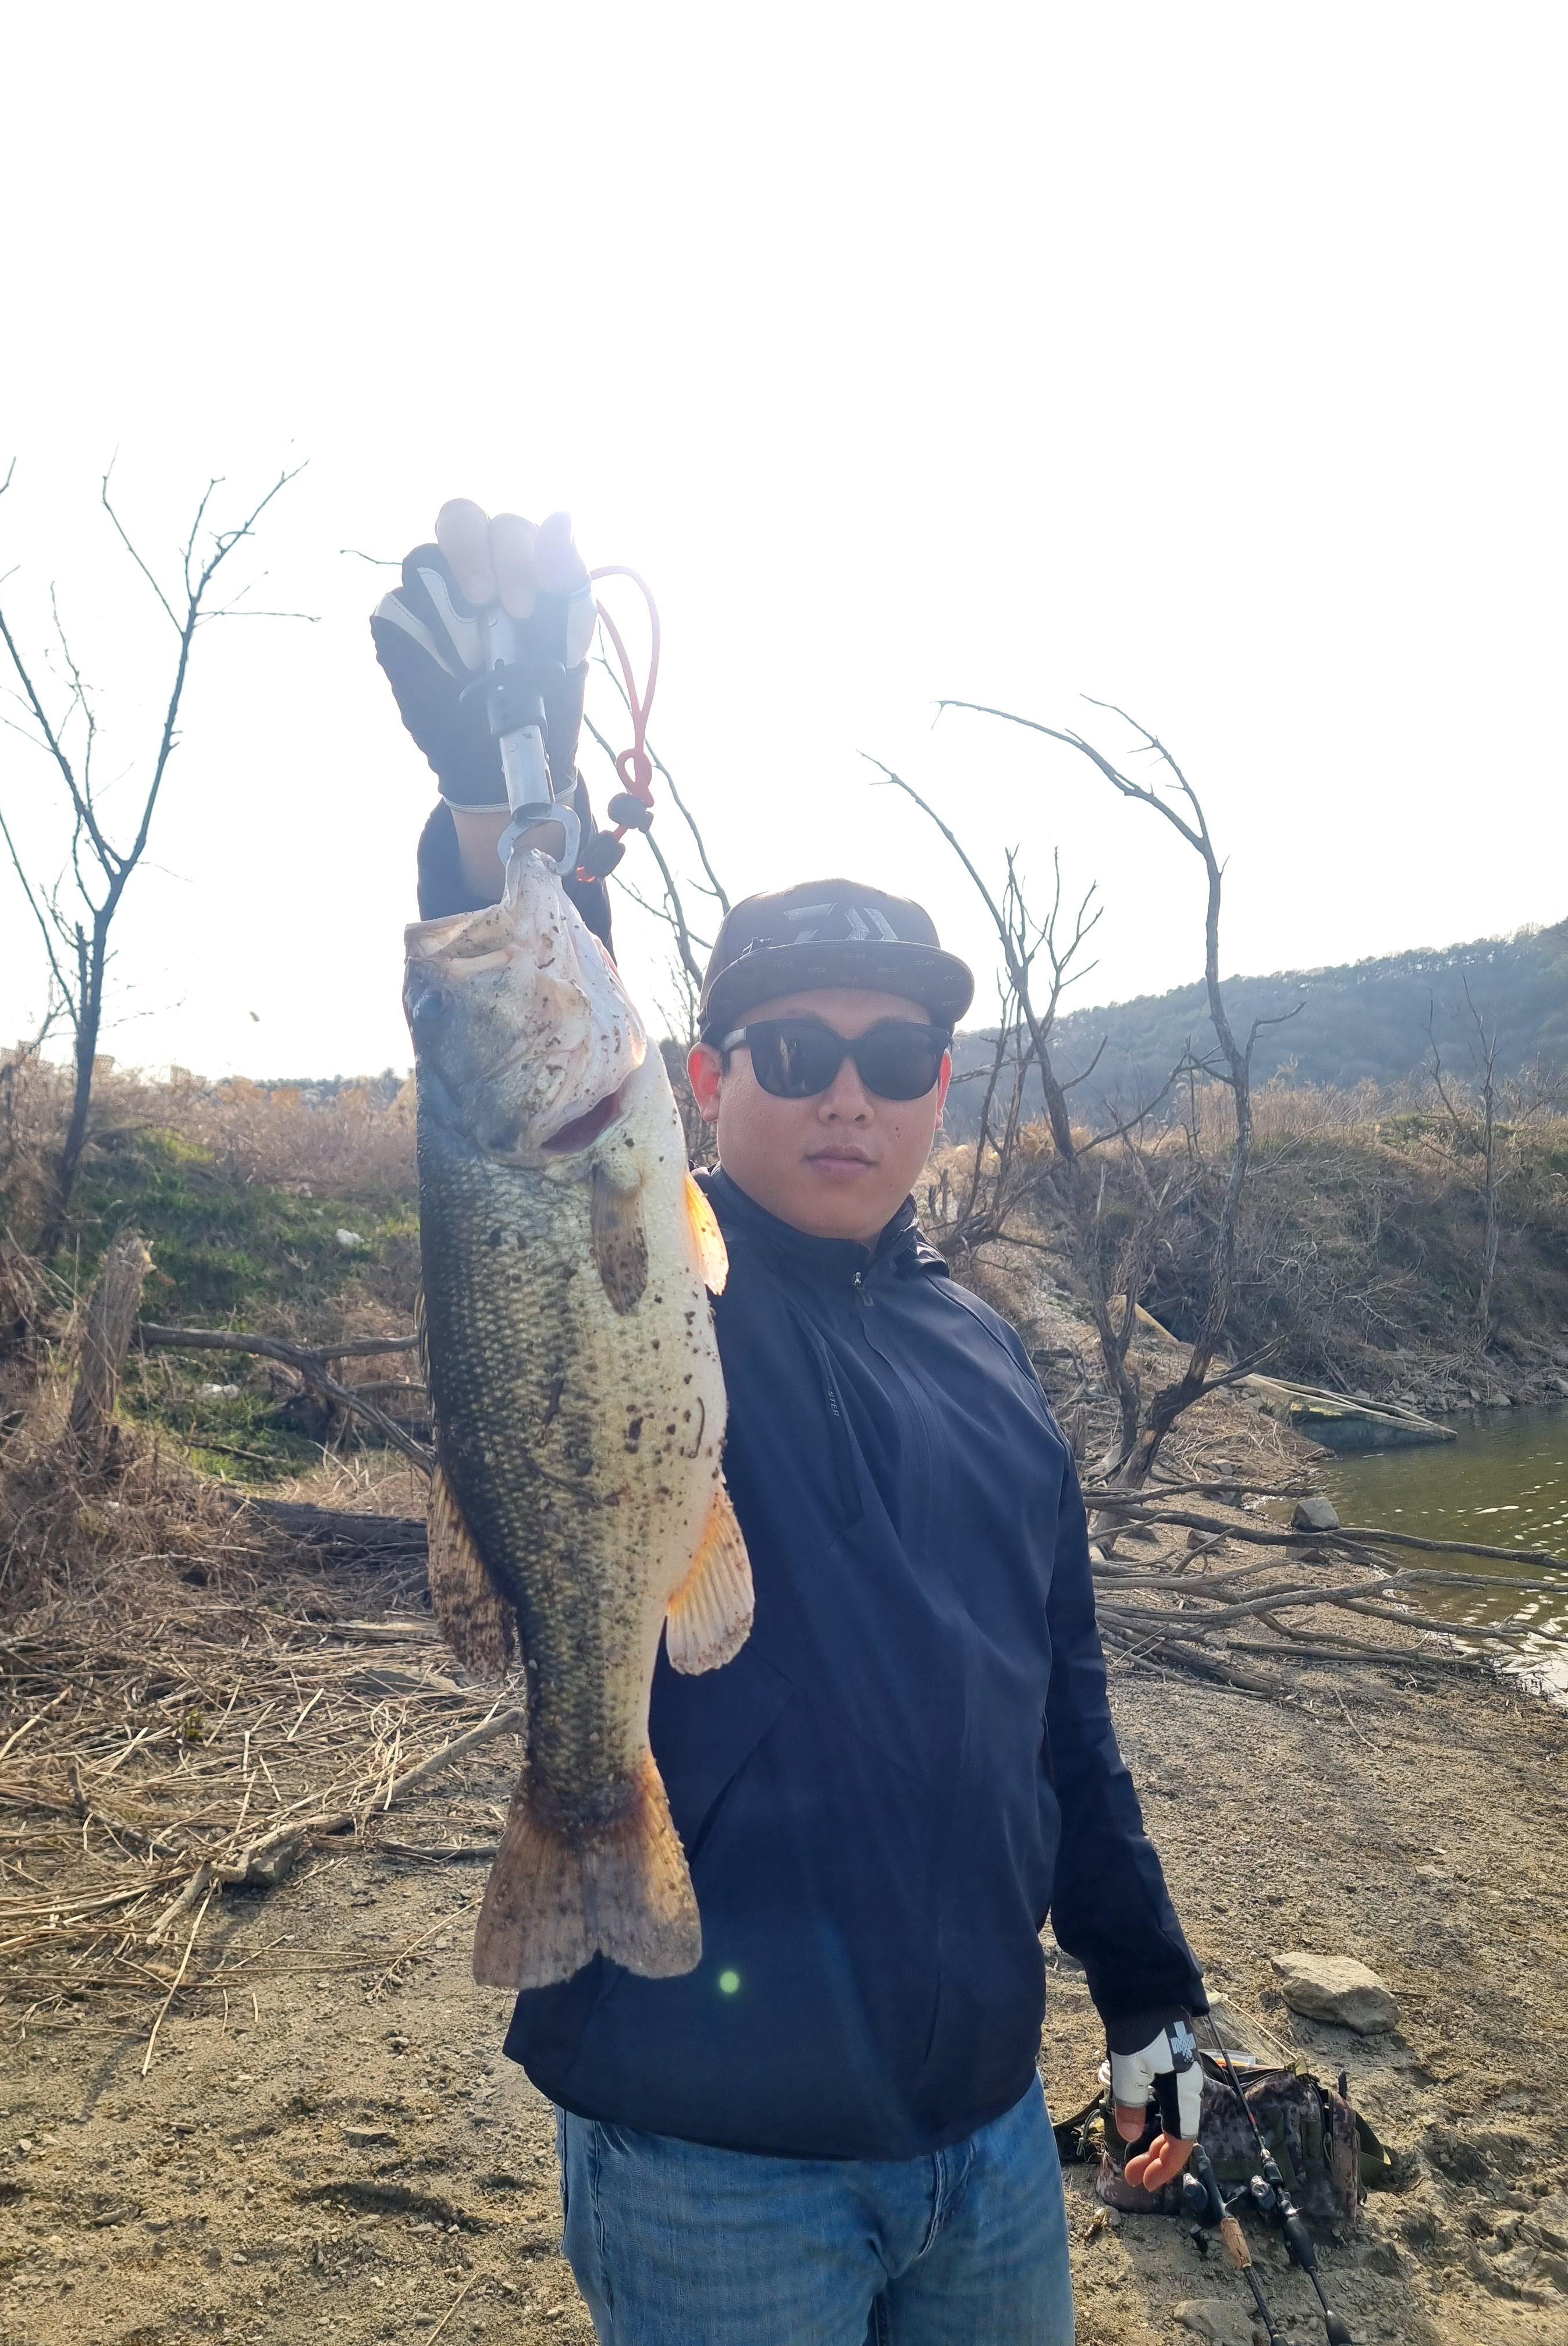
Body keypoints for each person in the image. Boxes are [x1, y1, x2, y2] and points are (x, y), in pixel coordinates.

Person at [372, 502, 1206, 2346]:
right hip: (712, 2161)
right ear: (702, 1079)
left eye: (896, 1060)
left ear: (941, 1094)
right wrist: (501, 799)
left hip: (989, 2146)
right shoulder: (683, 1273)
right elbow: (518, 1047)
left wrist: (1148, 1995)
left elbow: (1063, 1713)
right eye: (795, 1053)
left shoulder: (992, 1361)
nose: (850, 1094)